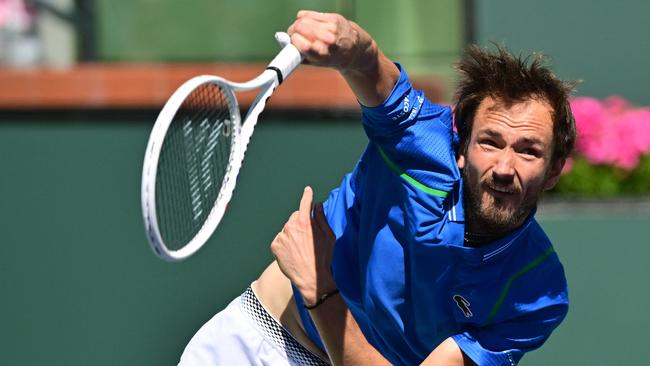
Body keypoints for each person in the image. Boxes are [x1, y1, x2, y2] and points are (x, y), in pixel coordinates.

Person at [179, 10, 575, 366]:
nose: (505, 168)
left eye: (528, 151)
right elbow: (373, 71)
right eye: (490, 142)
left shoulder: (538, 294)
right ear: (461, 148)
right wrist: (351, 42)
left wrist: (321, 288)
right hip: (255, 344)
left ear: (555, 169)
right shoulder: (423, 143)